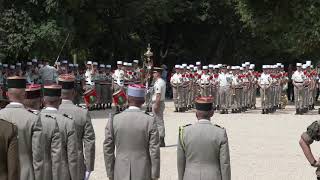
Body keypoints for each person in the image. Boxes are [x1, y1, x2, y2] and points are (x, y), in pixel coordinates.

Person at [103, 84, 160, 180]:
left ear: (127, 98)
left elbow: (108, 149)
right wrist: (155, 174)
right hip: (143, 171)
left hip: (120, 170)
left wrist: (110, 172)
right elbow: (154, 151)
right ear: (143, 101)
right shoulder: (150, 120)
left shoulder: (114, 119)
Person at [0, 76, 43, 180]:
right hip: (26, 174)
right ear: (25, 94)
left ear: (7, 94)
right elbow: (37, 156)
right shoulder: (33, 119)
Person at [177, 96, 231, 180]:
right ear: (212, 113)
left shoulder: (184, 132)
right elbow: (225, 164)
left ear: (196, 113)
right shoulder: (220, 133)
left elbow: (180, 162)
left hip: (190, 176)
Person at [58, 74, 96, 180]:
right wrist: (89, 167)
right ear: (74, 93)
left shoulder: (47, 114)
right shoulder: (82, 113)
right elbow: (89, 142)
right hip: (77, 164)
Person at [41, 84, 78, 180]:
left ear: (43, 100)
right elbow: (72, 156)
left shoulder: (34, 119)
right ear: (60, 101)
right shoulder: (68, 122)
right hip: (62, 173)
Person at [152, 67, 167, 147]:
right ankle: (159, 138)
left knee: (159, 121)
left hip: (158, 102)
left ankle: (161, 139)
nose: (153, 74)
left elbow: (158, 95)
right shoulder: (161, 81)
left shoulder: (159, 82)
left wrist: (156, 105)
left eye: (154, 72)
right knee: (158, 121)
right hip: (160, 102)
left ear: (158, 73)